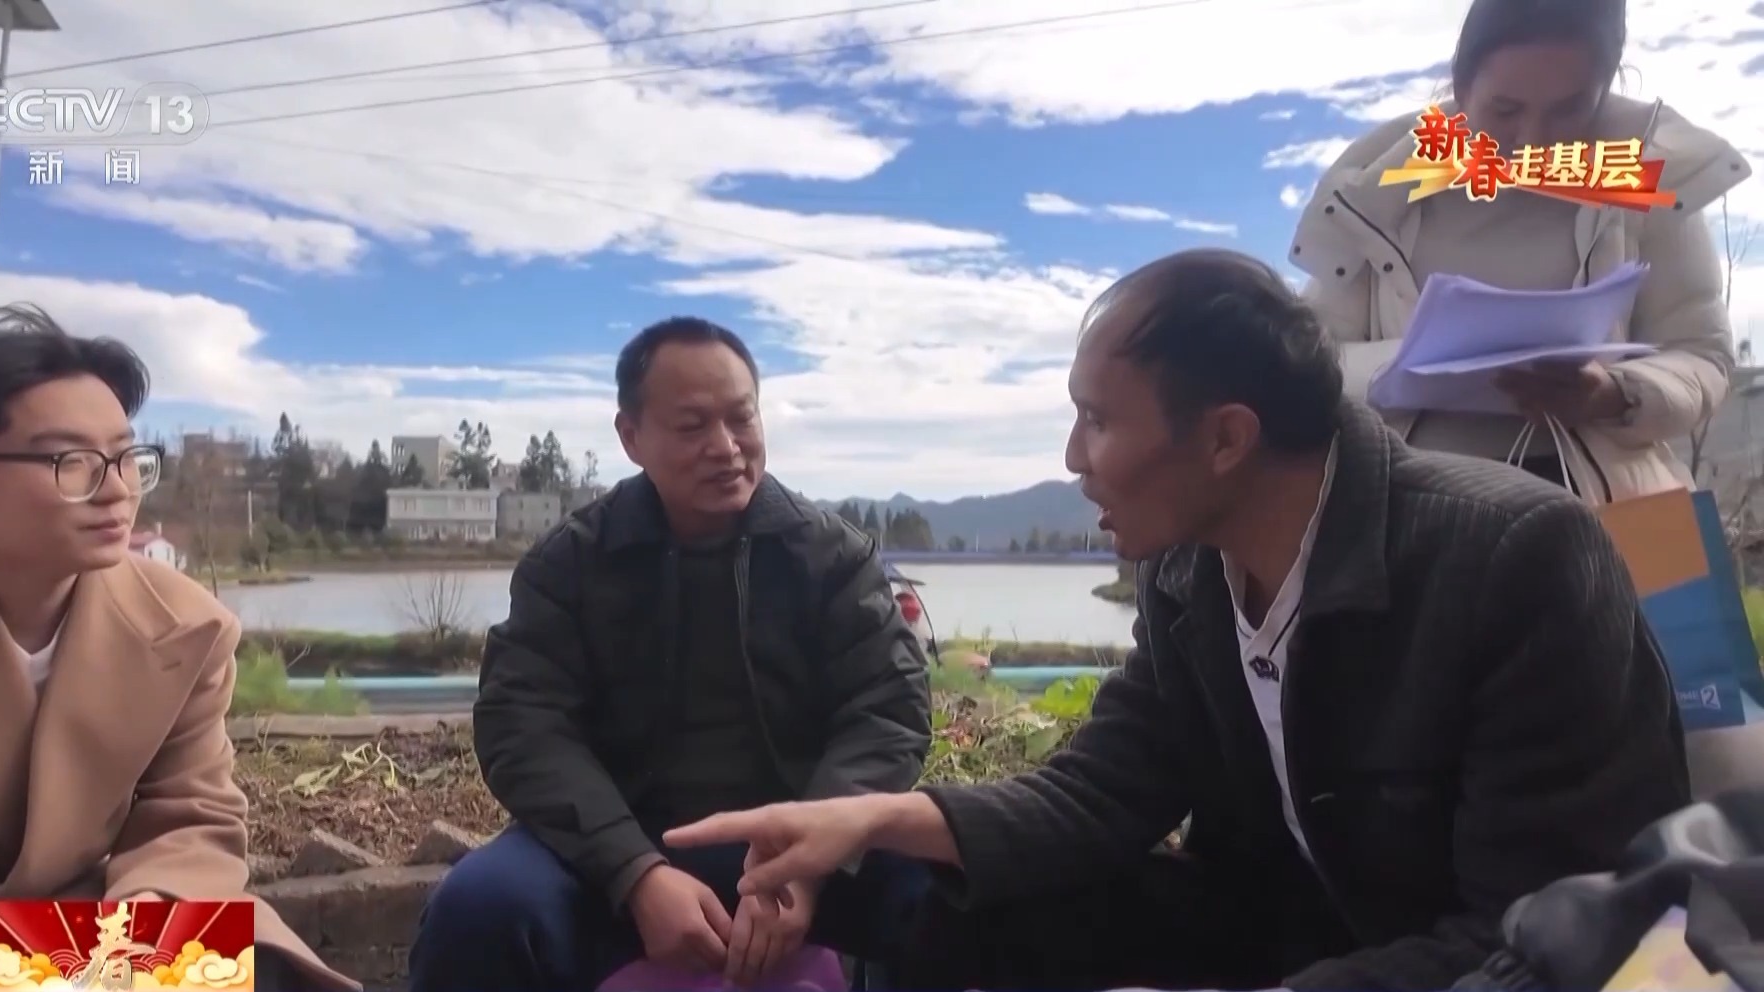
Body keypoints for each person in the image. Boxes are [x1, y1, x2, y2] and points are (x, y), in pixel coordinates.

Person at [664, 250, 1691, 992]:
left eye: (1098, 419)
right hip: (1277, 931)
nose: (1073, 458)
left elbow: (1548, 931)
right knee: (920, 886)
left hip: (1471, 963)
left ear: (1227, 439)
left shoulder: (1514, 557)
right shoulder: (1190, 572)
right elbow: (1105, 788)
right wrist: (873, 819)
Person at [408, 317, 932, 991]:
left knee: (956, 885)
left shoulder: (831, 557)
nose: (726, 448)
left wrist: (808, 860)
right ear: (631, 437)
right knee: (478, 909)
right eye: (692, 427)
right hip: (612, 847)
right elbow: (523, 725)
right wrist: (636, 874)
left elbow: (887, 709)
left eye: (741, 419)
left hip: (799, 841)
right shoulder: (570, 565)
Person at [0, 306, 353, 991]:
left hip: (103, 939)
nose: (117, 490)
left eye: (126, 457)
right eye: (71, 462)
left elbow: (189, 822)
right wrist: (16, 965)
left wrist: (120, 959)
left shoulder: (184, 628)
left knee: (267, 974)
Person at [1289, 0, 1751, 504]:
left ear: (1605, 87)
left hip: (1607, 506)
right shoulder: (1376, 195)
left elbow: (1702, 353)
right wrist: (1402, 366)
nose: (1532, 141)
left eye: (1569, 109)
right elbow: (1311, 356)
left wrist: (1618, 393)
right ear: (1460, 88)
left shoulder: (1651, 180)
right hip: (1414, 508)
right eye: (1505, 110)